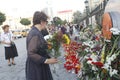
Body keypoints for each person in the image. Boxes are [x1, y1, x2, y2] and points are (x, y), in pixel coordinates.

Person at [26, 11, 58, 80]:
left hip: (39, 65)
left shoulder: (36, 32)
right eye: (46, 21)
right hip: (36, 68)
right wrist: (47, 60)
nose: (46, 24)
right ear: (41, 21)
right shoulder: (35, 33)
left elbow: (39, 47)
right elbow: (31, 53)